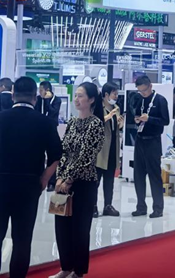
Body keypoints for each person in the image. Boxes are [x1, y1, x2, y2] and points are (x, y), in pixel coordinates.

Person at [0, 76, 62, 278]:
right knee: (22, 239)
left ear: (13, 95)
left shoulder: (1, 118)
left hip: (1, 183)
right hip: (29, 185)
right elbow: (56, 155)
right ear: (35, 98)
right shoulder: (45, 122)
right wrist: (44, 179)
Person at [50, 82, 105, 278]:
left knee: (80, 229)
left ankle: (78, 271)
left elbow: (86, 155)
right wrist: (59, 177)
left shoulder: (96, 124)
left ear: (91, 99)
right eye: (76, 95)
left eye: (81, 96)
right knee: (62, 226)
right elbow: (64, 151)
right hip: (63, 182)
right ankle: (65, 267)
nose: (77, 99)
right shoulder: (72, 122)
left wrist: (69, 179)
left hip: (83, 183)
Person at [132, 75, 170, 219]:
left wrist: (150, 119)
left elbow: (165, 121)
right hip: (140, 140)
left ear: (150, 86)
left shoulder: (160, 100)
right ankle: (141, 207)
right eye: (140, 91)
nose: (143, 93)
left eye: (144, 90)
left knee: (154, 175)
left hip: (153, 141)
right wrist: (137, 120)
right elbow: (136, 114)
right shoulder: (139, 99)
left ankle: (158, 208)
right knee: (138, 175)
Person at [95, 82, 124, 218]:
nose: (116, 96)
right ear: (106, 94)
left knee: (109, 180)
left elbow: (116, 128)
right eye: (114, 94)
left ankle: (108, 205)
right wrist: (107, 117)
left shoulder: (116, 108)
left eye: (117, 94)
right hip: (101, 149)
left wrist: (120, 124)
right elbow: (95, 124)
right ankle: (92, 206)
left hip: (113, 147)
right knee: (96, 179)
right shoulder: (97, 107)